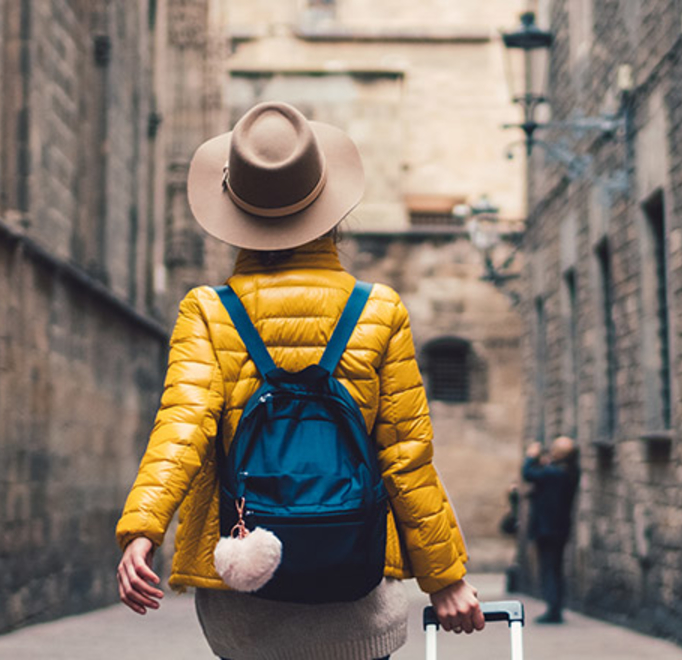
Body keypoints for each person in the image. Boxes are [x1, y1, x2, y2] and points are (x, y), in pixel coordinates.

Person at [114, 102, 484, 660]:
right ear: (331, 208)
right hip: (355, 580)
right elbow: (406, 456)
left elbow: (181, 428)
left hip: (246, 586)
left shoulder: (209, 312)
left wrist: (142, 529)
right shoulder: (377, 311)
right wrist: (445, 577)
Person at [522, 436, 579, 624]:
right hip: (560, 528)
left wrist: (531, 456)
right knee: (555, 568)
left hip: (547, 529)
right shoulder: (569, 471)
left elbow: (528, 473)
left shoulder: (555, 473)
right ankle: (555, 607)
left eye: (555, 449)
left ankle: (553, 610)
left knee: (549, 569)